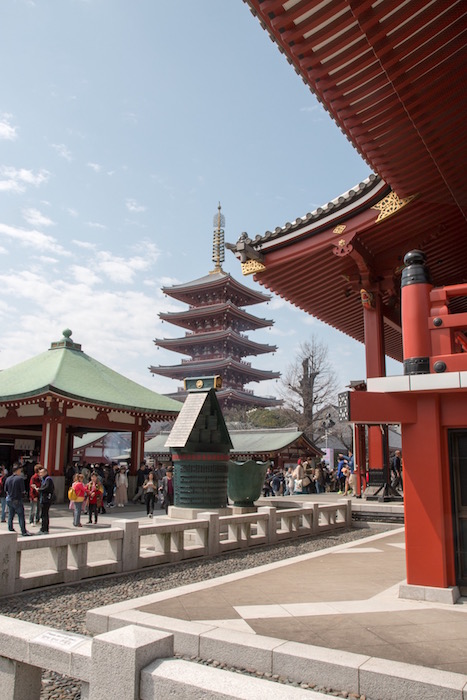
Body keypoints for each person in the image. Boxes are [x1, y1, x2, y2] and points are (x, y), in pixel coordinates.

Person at [4, 463, 31, 536]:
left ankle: (10, 528)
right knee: (21, 515)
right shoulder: (20, 479)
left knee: (10, 514)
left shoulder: (8, 478)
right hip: (17, 498)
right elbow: (22, 490)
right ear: (18, 471)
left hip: (9, 498)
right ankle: (23, 531)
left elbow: (5, 489)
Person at [38, 467, 55, 534]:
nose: (40, 474)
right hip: (43, 498)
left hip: (46, 499)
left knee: (45, 514)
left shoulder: (48, 479)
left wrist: (39, 489)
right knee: (43, 514)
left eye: (41, 472)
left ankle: (44, 529)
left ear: (45, 472)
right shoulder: (43, 479)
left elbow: (47, 488)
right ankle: (43, 528)